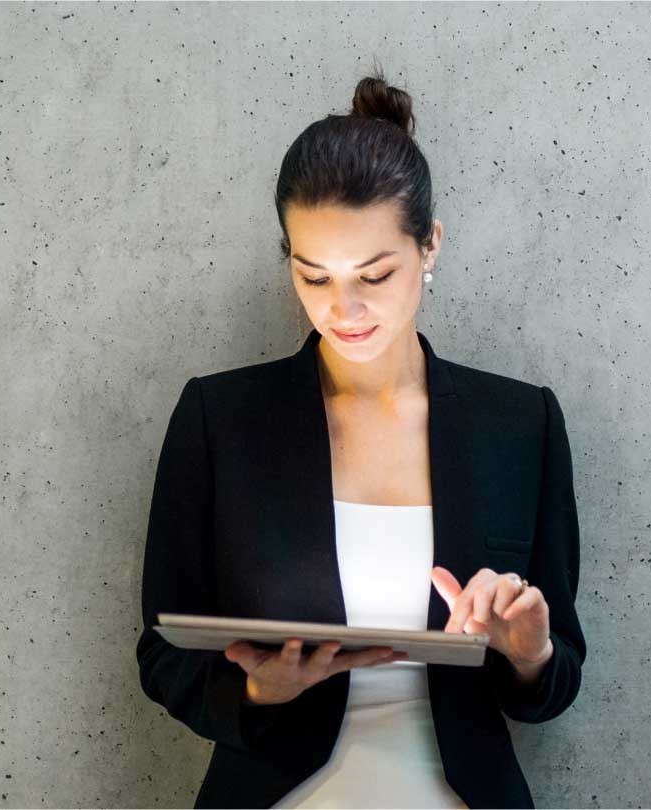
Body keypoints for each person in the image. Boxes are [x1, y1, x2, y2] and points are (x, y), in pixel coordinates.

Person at [135, 72, 588, 809]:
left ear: (429, 246)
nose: (342, 310)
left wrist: (528, 652)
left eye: (374, 275)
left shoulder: (518, 423)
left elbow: (554, 683)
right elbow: (161, 654)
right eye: (312, 277)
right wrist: (257, 686)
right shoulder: (221, 418)